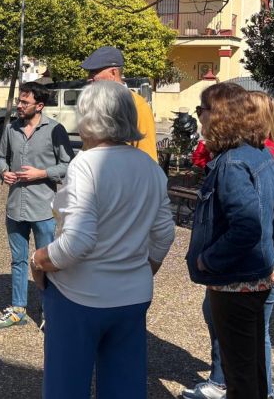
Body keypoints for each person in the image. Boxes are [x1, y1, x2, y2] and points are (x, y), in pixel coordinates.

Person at [29, 81, 175, 398]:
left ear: (90, 117)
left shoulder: (86, 164)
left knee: (66, 387)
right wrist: (143, 269)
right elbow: (164, 233)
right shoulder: (150, 167)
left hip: (79, 297)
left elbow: (77, 242)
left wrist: (39, 260)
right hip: (132, 296)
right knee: (124, 386)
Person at [183, 91, 274, 399]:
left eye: (201, 109)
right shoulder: (256, 154)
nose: (199, 116)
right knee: (252, 371)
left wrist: (209, 259)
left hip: (236, 282)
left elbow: (247, 226)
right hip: (251, 278)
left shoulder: (233, 162)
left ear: (219, 115)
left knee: (241, 378)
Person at [0, 81, 74, 329]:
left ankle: (50, 312)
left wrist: (42, 173)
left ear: (39, 105)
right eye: (19, 101)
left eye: (24, 102)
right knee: (17, 260)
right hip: (15, 207)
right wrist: (2, 172)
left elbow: (69, 165)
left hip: (43, 209)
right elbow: (0, 158)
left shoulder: (55, 130)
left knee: (46, 261)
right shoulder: (10, 129)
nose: (19, 106)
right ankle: (18, 310)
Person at [80, 46, 158, 162]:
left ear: (113, 73)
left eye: (94, 72)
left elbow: (147, 158)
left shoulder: (137, 105)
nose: (89, 78)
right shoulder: (95, 104)